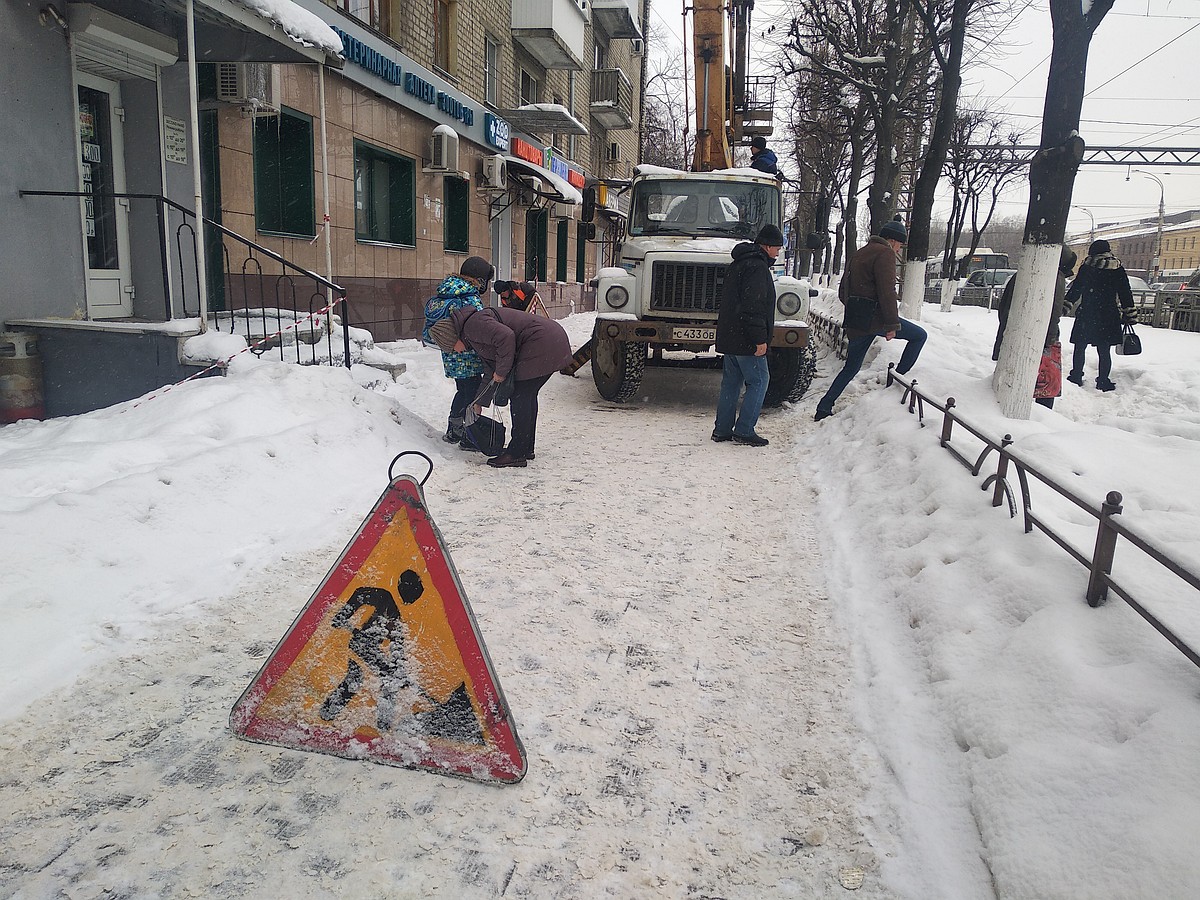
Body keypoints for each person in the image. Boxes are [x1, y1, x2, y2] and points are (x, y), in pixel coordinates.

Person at [428, 306, 571, 468]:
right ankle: (524, 448)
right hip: (549, 339)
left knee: (520, 397)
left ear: (453, 338)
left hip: (541, 341)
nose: (455, 352)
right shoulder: (473, 332)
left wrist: (502, 372)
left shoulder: (473, 325)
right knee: (527, 396)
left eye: (451, 347)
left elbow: (506, 337)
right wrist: (480, 402)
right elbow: (491, 369)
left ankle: (517, 453)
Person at [814, 218, 927, 421]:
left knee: (851, 367)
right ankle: (895, 382)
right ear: (892, 240)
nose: (900, 249)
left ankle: (824, 407)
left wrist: (856, 307)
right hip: (877, 320)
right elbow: (887, 292)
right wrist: (892, 324)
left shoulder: (859, 253)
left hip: (857, 320)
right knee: (919, 336)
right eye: (900, 244)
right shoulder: (885, 254)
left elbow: (843, 291)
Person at [712, 224, 784, 447]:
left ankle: (722, 429)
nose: (778, 252)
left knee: (731, 384)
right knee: (760, 381)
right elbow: (753, 306)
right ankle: (744, 430)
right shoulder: (757, 268)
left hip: (731, 335)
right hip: (746, 339)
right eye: (777, 248)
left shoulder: (739, 263)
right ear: (767, 246)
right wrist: (759, 339)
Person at [991, 247, 1077, 409]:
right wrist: (1050, 341)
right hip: (1039, 339)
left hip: (1014, 335)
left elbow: (1003, 308)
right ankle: (1039, 418)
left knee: (1017, 380)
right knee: (1045, 385)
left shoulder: (1023, 273)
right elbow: (1053, 313)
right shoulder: (1054, 277)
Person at [423, 256, 494, 443]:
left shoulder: (445, 293)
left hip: (451, 354)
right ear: (480, 279)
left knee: (463, 391)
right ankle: (469, 435)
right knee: (471, 393)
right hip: (468, 354)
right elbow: (481, 327)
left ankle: (455, 429)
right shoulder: (469, 298)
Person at [1063, 239, 1137, 392]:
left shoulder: (1088, 266)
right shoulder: (1117, 268)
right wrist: (1129, 311)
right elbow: (1125, 292)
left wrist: (1066, 304)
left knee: (1080, 346)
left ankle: (1076, 376)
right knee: (1104, 350)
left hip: (1087, 312)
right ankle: (1103, 380)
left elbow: (1076, 288)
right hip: (1108, 313)